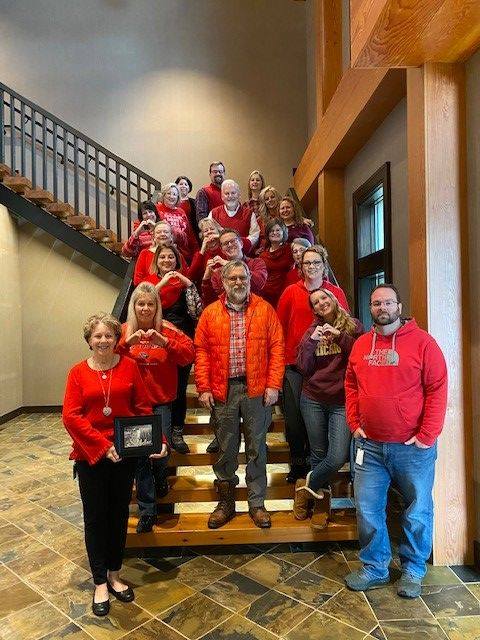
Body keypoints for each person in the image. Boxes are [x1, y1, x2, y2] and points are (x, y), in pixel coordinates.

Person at [344, 284, 447, 598]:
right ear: (370, 308)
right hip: (370, 447)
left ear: (399, 307)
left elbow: (437, 388)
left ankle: (413, 570)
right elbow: (350, 383)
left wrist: (427, 435)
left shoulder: (424, 343)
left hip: (412, 448)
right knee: (367, 509)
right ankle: (375, 568)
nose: (382, 308)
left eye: (388, 302)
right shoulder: (361, 345)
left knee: (417, 510)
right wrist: (354, 423)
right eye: (376, 303)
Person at [62, 313, 167, 616]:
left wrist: (158, 439)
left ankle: (115, 575)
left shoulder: (130, 366)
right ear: (89, 340)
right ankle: (99, 582)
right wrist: (102, 446)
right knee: (96, 518)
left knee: (119, 515)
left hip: (124, 455)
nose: (103, 340)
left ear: (116, 339)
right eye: (97, 336)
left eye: (109, 335)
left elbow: (142, 407)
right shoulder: (77, 373)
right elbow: (71, 416)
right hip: (91, 456)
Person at [194, 260, 285, 529]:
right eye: (232, 278)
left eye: (242, 278)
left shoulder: (265, 309)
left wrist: (273, 384)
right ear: (223, 282)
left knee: (257, 448)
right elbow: (201, 351)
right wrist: (204, 386)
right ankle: (226, 503)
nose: (238, 282)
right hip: (224, 390)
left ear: (249, 279)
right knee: (226, 448)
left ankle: (257, 504)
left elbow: (277, 348)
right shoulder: (210, 313)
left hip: (257, 389)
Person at [117, 283, 195, 533]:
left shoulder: (168, 329)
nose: (145, 308)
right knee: (141, 459)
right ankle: (147, 511)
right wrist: (125, 345)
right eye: (141, 303)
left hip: (161, 402)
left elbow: (189, 355)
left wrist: (166, 343)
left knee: (160, 453)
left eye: (150, 304)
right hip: (134, 407)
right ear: (133, 306)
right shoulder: (123, 330)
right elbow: (108, 357)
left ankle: (161, 478)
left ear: (157, 306)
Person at [277, 245, 349, 483]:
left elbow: (346, 324)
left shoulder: (335, 293)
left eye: (316, 262)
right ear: (300, 266)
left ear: (324, 265)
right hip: (295, 364)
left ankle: (320, 468)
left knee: (322, 420)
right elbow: (279, 328)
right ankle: (298, 463)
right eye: (307, 263)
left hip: (328, 364)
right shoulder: (290, 291)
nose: (311, 267)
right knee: (295, 419)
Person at [294, 288, 363, 529]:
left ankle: (306, 487)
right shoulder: (311, 332)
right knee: (318, 454)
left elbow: (361, 357)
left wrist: (339, 337)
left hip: (341, 401)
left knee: (337, 456)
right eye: (315, 302)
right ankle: (321, 507)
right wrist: (311, 343)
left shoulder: (353, 326)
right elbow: (302, 367)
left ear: (334, 299)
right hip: (312, 399)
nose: (321, 303)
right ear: (314, 310)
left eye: (324, 298)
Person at [145, 244, 200, 454]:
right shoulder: (149, 283)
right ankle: (159, 434)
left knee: (180, 389)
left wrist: (189, 285)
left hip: (180, 343)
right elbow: (144, 301)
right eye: (163, 257)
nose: (167, 260)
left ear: (177, 260)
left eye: (171, 257)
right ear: (156, 261)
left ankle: (177, 431)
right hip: (155, 344)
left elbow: (197, 312)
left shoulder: (184, 283)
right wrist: (162, 283)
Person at [202, 228, 267, 302]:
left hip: (255, 307)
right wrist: (206, 279)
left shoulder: (257, 263)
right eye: (225, 243)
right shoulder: (218, 273)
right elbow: (211, 301)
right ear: (222, 250)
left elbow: (258, 284)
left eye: (233, 241)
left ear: (241, 243)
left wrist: (230, 265)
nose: (229, 245)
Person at [209, 179, 260, 253]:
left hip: (243, 255)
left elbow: (254, 236)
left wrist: (237, 246)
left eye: (233, 193)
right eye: (227, 193)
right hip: (220, 255)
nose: (230, 196)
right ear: (222, 196)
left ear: (239, 195)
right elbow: (210, 236)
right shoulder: (213, 214)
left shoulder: (249, 214)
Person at [156, 183, 198, 263]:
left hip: (182, 253)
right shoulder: (157, 209)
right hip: (164, 251)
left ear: (178, 197)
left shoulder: (181, 211)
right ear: (163, 195)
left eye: (174, 194)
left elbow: (189, 233)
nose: (171, 196)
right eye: (169, 193)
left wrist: (196, 250)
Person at [258, 218, 294, 307]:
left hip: (286, 292)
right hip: (266, 295)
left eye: (278, 230)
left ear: (283, 232)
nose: (274, 233)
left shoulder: (291, 250)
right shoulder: (263, 255)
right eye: (271, 231)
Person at [133, 220, 176, 286]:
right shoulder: (145, 253)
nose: (162, 234)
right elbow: (137, 281)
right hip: (150, 290)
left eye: (166, 232)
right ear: (154, 237)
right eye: (158, 232)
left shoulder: (176, 254)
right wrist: (159, 285)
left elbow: (185, 276)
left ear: (171, 236)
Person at [175, 175, 199, 241]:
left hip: (192, 232)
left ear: (189, 188)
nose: (183, 186)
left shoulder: (194, 202)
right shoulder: (172, 202)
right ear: (176, 186)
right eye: (181, 184)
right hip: (176, 232)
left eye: (186, 184)